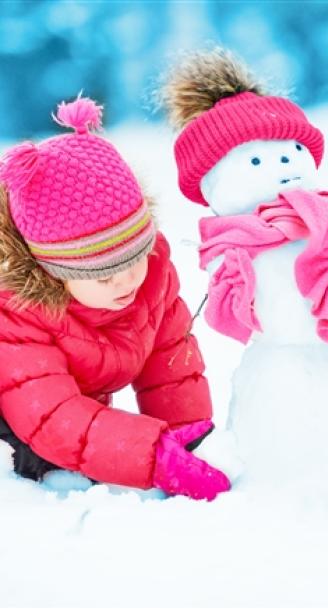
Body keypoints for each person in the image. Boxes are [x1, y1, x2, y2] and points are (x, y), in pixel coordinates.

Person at [0, 95, 230, 501]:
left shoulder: (150, 274)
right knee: (43, 438)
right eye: (103, 273)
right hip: (21, 396)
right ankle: (47, 470)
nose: (126, 279)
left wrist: (184, 435)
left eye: (134, 256)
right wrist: (152, 456)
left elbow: (169, 357)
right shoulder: (19, 310)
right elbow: (51, 415)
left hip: (69, 388)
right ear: (56, 271)